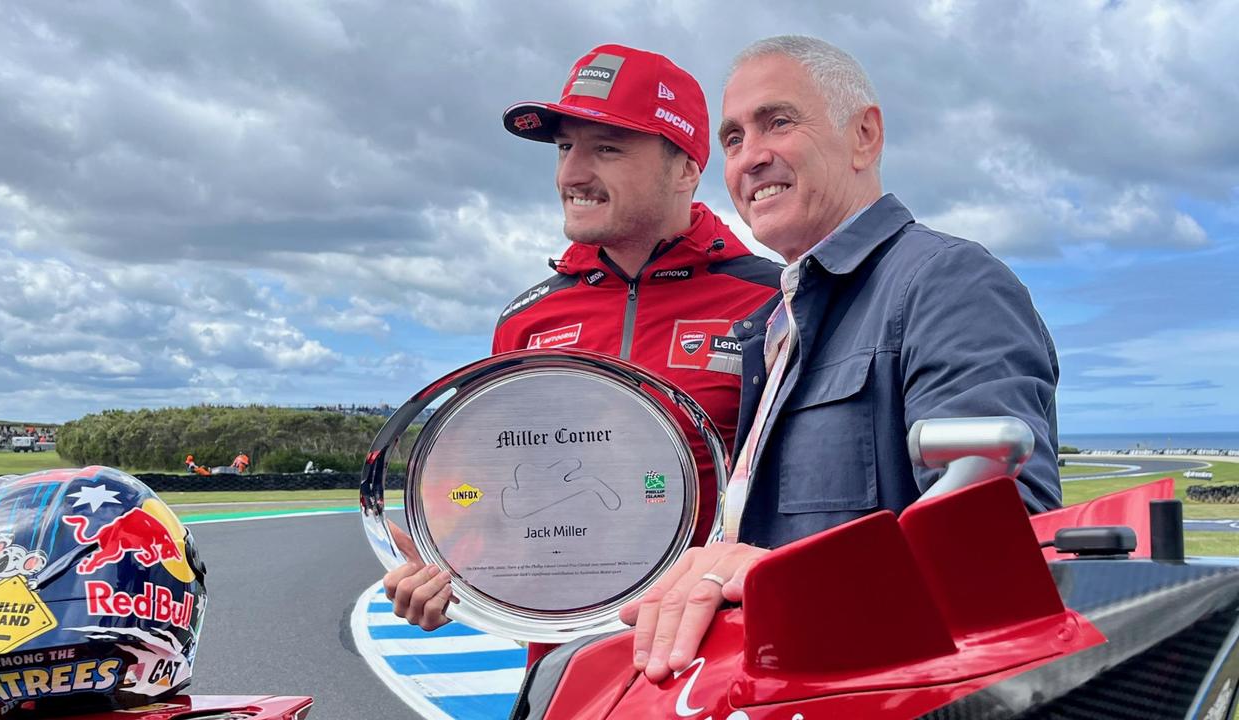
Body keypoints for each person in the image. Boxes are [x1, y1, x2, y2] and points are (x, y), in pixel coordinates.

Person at [620, 35, 1064, 682]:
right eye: (734, 139)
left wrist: (773, 576)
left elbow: (1012, 546)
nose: (751, 157)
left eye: (778, 122)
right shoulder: (774, 326)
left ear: (864, 136)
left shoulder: (948, 283)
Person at [382, 44, 782, 660]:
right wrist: (452, 577)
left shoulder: (775, 299)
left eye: (607, 149)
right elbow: (495, 499)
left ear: (684, 168)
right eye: (567, 147)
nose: (572, 174)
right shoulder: (527, 320)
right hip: (567, 670)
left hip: (721, 663)